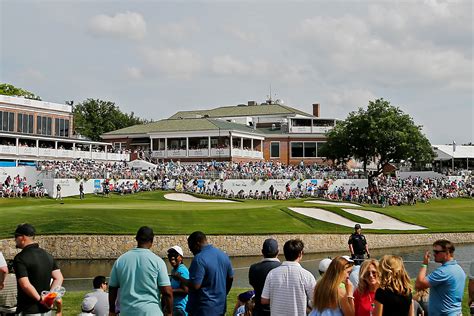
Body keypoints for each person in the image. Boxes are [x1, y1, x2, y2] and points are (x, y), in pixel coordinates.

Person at [108, 226, 173, 316]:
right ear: (151, 241)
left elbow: (112, 288)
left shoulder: (121, 260)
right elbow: (167, 292)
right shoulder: (158, 261)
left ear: (137, 239)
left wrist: (112, 310)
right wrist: (169, 312)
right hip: (151, 312)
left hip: (127, 312)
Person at [175, 231, 233, 316]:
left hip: (202, 309)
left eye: (190, 246)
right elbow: (230, 278)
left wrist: (180, 278)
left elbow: (195, 286)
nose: (190, 250)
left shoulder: (199, 259)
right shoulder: (223, 256)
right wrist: (224, 294)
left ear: (197, 243)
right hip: (220, 308)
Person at [13, 223, 64, 315]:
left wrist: (41, 300)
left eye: (16, 236)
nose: (15, 239)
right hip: (46, 310)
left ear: (23, 237)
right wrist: (49, 298)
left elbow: (25, 285)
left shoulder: (20, 258)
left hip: (29, 310)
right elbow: (59, 277)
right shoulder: (47, 255)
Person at [261, 239, 316, 316]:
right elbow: (316, 301)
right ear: (300, 254)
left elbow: (264, 300)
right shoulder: (307, 275)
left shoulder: (272, 274)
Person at [415, 239, 466, 316]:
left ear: (447, 253)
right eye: (434, 251)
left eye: (437, 252)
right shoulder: (458, 268)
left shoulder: (443, 272)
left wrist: (424, 264)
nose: (434, 254)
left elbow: (419, 284)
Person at [248, 238, 281, 316]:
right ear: (278, 252)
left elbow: (252, 283)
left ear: (262, 252)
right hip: (278, 310)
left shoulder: (254, 268)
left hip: (259, 310)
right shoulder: (283, 268)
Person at [168, 245, 189, 316]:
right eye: (170, 255)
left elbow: (185, 290)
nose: (172, 257)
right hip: (175, 307)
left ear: (181, 257)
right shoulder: (174, 270)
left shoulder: (182, 270)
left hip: (180, 308)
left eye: (175, 255)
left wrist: (169, 291)